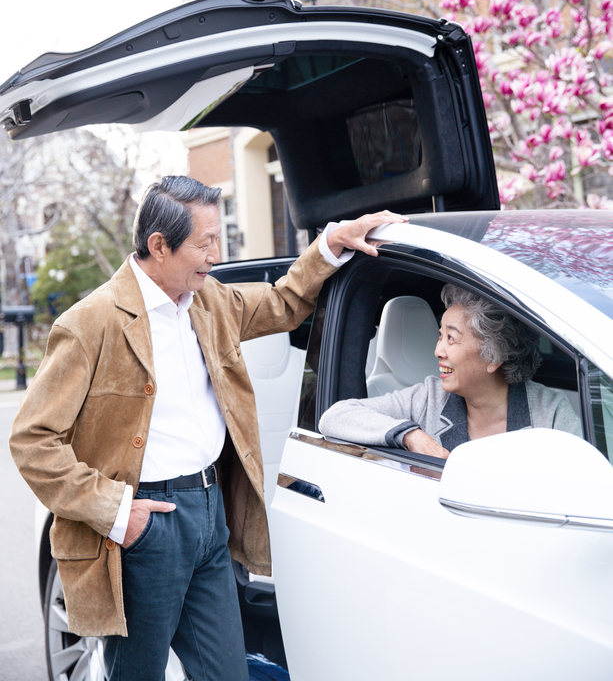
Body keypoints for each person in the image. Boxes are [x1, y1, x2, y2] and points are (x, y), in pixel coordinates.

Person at [9, 175, 404, 681]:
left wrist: (329, 244)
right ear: (159, 245)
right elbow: (32, 440)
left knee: (226, 673)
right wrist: (119, 513)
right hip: (147, 525)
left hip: (210, 516)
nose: (216, 255)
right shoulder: (91, 323)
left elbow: (284, 304)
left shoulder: (210, 300)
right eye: (205, 243)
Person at [319, 284, 582, 458]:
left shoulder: (549, 412)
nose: (438, 350)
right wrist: (410, 435)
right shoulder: (428, 398)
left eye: (451, 338)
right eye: (439, 335)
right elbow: (335, 416)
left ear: (494, 356)